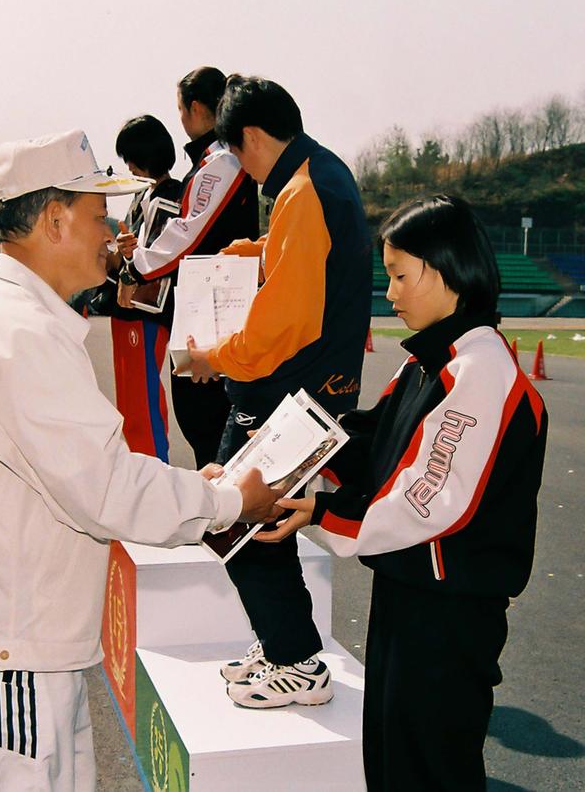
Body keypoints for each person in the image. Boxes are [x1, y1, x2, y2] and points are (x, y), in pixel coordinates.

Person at [0, 129, 282, 791]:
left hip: (18, 649)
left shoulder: (21, 319)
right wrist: (228, 501)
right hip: (7, 656)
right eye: (99, 215)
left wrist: (198, 487)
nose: (114, 233)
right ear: (53, 219)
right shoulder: (19, 332)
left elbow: (92, 469)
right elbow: (107, 485)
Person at [261, 195, 549, 791]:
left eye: (399, 275)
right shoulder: (428, 360)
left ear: (445, 269)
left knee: (431, 766)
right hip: (409, 591)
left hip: (451, 611)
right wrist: (286, 449)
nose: (389, 293)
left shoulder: (481, 370)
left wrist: (321, 509)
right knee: (392, 755)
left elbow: (431, 499)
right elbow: (374, 442)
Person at [178, 75, 372, 708]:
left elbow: (285, 322)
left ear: (253, 135)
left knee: (237, 517)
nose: (244, 168)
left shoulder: (302, 189)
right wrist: (259, 250)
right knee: (258, 520)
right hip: (313, 385)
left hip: (289, 390)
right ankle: (284, 641)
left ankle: (296, 659)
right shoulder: (318, 174)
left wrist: (213, 357)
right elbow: (308, 262)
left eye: (239, 153)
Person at [115, 66, 260, 469]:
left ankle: (226, 520)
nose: (180, 119)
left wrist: (135, 266)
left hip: (215, 311)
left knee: (208, 423)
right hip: (206, 307)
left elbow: (186, 233)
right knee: (202, 423)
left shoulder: (221, 161)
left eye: (180, 109)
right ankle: (222, 518)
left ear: (196, 108)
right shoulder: (214, 160)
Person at [92, 115, 183, 460]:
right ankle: (144, 468)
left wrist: (123, 258)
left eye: (129, 158)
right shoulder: (143, 197)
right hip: (128, 311)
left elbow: (154, 261)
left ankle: (154, 470)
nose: (127, 166)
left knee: (141, 404)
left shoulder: (170, 196)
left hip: (144, 312)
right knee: (132, 404)